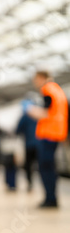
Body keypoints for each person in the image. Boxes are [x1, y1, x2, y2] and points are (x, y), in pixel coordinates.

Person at [26, 70, 68, 208]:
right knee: (50, 166)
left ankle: (50, 199)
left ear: (41, 78)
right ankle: (51, 198)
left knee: (45, 166)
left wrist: (31, 110)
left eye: (35, 80)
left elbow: (45, 112)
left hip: (48, 134)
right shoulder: (58, 90)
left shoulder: (48, 89)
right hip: (56, 133)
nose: (35, 83)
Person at [16, 95, 39, 192]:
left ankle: (30, 184)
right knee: (41, 165)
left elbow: (18, 130)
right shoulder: (39, 115)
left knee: (28, 165)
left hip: (29, 145)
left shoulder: (25, 116)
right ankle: (45, 187)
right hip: (40, 144)